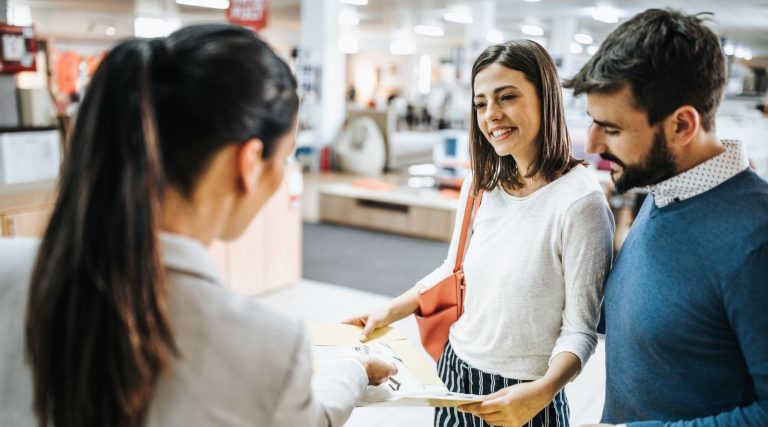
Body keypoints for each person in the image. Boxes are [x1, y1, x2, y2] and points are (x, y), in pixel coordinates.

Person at [0, 24, 396, 427]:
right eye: (285, 156)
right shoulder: (264, 345)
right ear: (249, 163)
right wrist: (355, 370)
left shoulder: (9, 271)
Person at [345, 40, 614, 427]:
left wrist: (544, 390)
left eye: (507, 97)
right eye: (481, 103)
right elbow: (453, 269)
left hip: (526, 392)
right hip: (456, 373)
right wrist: (390, 310)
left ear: (546, 98)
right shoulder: (481, 184)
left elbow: (580, 330)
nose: (492, 115)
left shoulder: (581, 203)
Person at [563, 9, 768, 427]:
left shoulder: (755, 241)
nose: (593, 143)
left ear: (682, 125)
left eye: (611, 128)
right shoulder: (664, 189)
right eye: (591, 121)